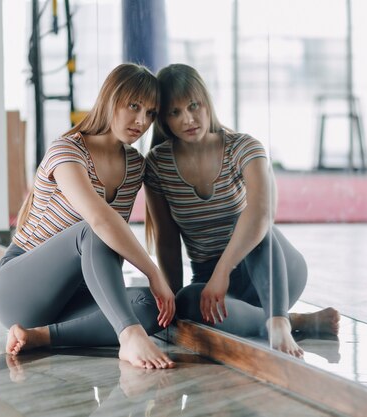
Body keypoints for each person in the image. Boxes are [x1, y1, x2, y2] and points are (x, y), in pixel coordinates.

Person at [144, 63, 340, 357]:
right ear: (163, 119)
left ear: (206, 102)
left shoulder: (244, 147)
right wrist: (170, 304)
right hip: (214, 285)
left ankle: (278, 320)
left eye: (194, 105)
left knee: (252, 225)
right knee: (185, 302)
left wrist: (224, 270)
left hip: (274, 267)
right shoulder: (157, 165)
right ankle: (298, 321)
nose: (188, 118)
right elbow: (167, 240)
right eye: (175, 112)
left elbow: (261, 215)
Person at [0, 63, 175, 369]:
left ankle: (37, 337)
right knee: (94, 230)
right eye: (133, 106)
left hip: (71, 298)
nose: (141, 120)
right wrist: (154, 273)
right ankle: (128, 337)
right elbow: (100, 222)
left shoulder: (135, 166)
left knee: (153, 307)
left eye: (151, 113)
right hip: (17, 288)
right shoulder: (68, 151)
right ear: (110, 100)